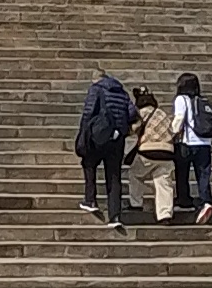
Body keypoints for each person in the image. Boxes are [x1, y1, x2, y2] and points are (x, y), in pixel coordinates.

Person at [73, 70, 133, 229]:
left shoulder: (96, 89)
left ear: (95, 80)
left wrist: (83, 133)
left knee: (89, 163)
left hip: (98, 136)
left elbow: (88, 112)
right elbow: (132, 114)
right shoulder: (122, 93)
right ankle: (115, 216)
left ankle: (90, 199)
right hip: (117, 138)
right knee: (114, 176)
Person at [171, 71, 212, 224]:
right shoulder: (202, 100)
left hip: (187, 142)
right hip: (205, 143)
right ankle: (206, 201)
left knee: (182, 171)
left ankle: (184, 199)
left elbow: (179, 119)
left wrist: (171, 133)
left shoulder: (181, 99)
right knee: (203, 175)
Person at [130, 87, 179, 224]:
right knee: (163, 181)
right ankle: (165, 214)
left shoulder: (141, 113)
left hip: (148, 151)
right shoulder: (162, 114)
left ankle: (136, 203)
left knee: (135, 174)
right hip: (168, 152)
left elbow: (134, 129)